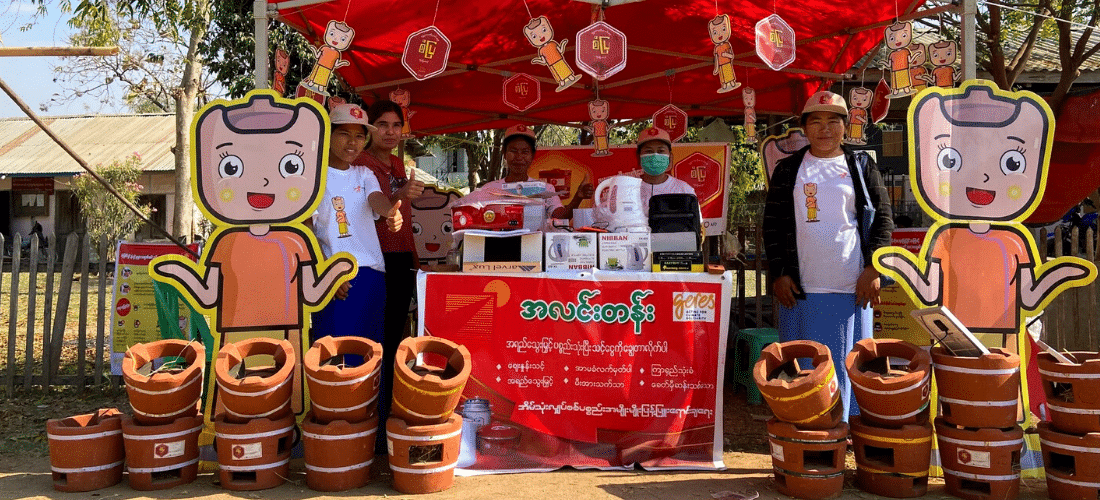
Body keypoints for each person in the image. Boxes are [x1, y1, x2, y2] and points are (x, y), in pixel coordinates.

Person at [762, 90, 894, 421]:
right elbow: (773, 226)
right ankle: (802, 425)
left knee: (848, 360)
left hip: (851, 286)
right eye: (816, 121)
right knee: (803, 363)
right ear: (804, 128)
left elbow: (883, 220)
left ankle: (846, 429)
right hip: (801, 290)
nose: (825, 129)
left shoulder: (862, 167)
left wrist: (873, 268)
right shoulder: (788, 169)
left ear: (845, 126)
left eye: (833, 121)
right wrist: (779, 272)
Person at [308, 102, 402, 361]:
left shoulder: (364, 173)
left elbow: (377, 199)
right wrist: (327, 273)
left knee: (371, 356)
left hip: (372, 275)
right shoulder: (312, 178)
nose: (353, 142)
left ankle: (373, 404)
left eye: (360, 135)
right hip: (336, 279)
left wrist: (391, 211)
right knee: (337, 359)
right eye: (344, 133)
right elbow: (306, 232)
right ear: (328, 134)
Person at [361, 99, 424, 429]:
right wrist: (404, 195)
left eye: (396, 125)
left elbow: (404, 215)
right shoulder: (360, 162)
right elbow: (384, 208)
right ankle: (376, 416)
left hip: (400, 258)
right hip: (373, 259)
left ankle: (389, 412)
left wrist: (415, 258)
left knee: (396, 336)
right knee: (377, 338)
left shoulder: (399, 164)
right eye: (382, 124)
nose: (390, 131)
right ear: (370, 127)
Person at [476, 124, 592, 219]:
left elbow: (561, 216)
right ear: (504, 153)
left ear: (532, 156)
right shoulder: (489, 190)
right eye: (513, 151)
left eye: (525, 152)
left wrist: (578, 197)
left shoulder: (546, 189)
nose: (519, 157)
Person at [635, 126, 697, 218]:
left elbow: (695, 226)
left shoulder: (684, 190)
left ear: (670, 157)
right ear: (638, 157)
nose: (655, 156)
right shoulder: (628, 190)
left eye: (661, 151)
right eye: (649, 151)